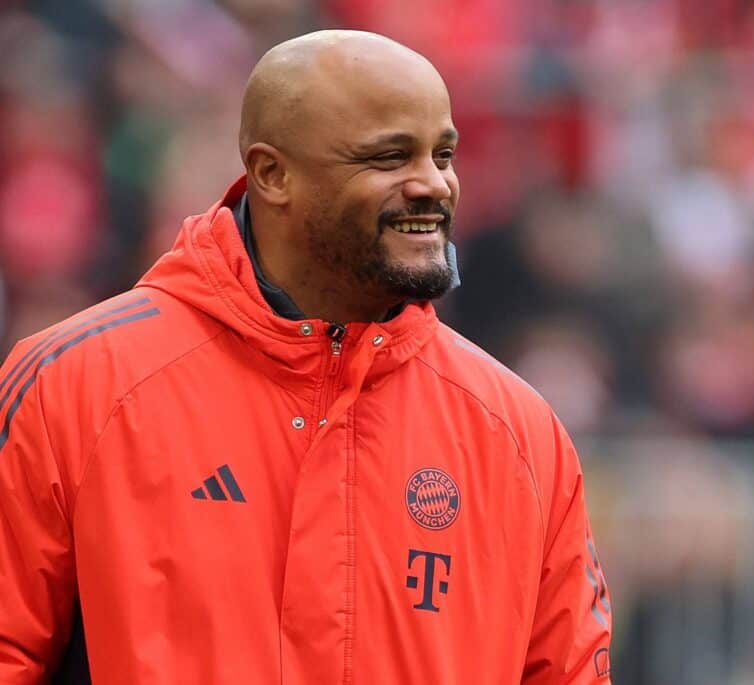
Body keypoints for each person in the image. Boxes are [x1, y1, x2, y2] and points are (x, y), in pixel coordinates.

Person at [0, 30, 613, 683]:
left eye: (443, 154)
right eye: (389, 156)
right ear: (272, 174)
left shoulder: (520, 433)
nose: (434, 184)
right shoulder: (72, 387)